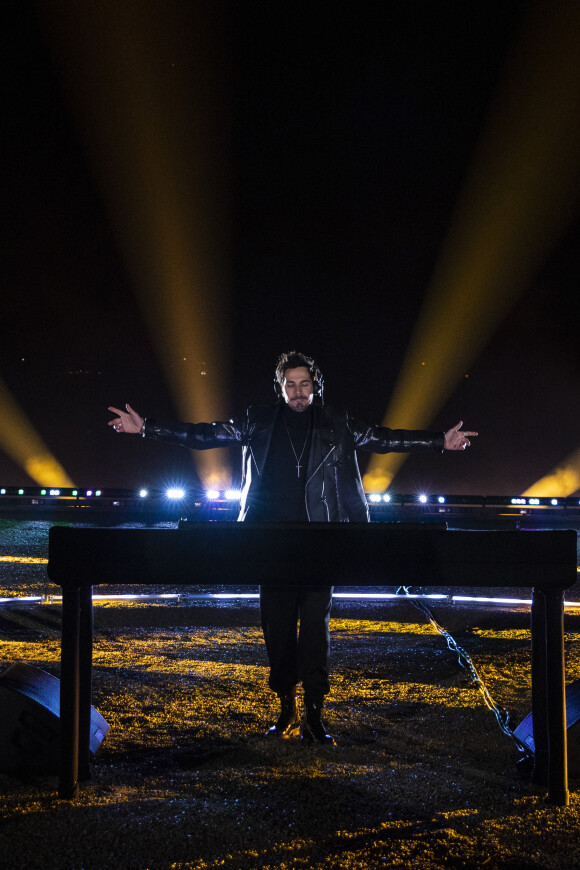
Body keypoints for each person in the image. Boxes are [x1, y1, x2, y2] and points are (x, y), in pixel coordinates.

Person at [108, 351, 477, 745]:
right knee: (277, 628)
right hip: (270, 541)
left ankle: (315, 714)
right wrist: (147, 428)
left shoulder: (337, 422)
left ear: (315, 386)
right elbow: (206, 434)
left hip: (321, 539)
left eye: (305, 384)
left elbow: (384, 439)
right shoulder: (258, 420)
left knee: (316, 629)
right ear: (280, 388)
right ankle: (286, 708)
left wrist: (440, 441)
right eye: (291, 385)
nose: (298, 392)